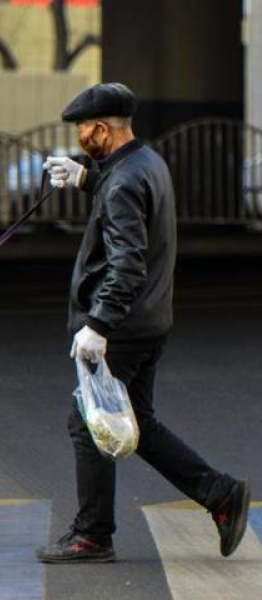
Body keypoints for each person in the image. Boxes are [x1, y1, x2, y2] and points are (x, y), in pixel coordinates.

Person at [36, 82, 250, 564]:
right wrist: (87, 179)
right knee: (137, 423)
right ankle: (220, 495)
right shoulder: (144, 163)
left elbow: (127, 263)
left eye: (82, 133)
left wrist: (98, 325)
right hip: (151, 319)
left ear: (100, 129)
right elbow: (127, 200)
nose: (78, 141)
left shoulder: (125, 180)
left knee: (88, 425)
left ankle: (92, 535)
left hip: (123, 328)